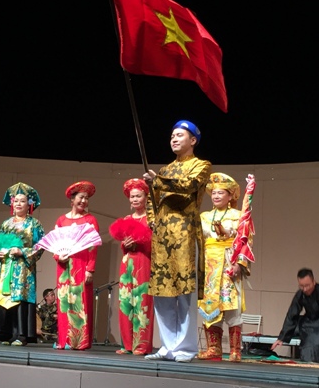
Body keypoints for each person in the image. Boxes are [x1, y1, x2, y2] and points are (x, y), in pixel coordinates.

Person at [143, 120, 212, 363]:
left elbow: (189, 186)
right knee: (162, 291)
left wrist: (157, 181)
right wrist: (152, 220)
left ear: (193, 140)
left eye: (179, 135)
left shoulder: (201, 166)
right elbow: (152, 199)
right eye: (172, 135)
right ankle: (167, 346)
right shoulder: (165, 170)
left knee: (184, 292)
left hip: (185, 234)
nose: (173, 138)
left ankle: (186, 347)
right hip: (163, 236)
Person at [198, 173, 256, 363]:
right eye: (214, 193)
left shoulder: (238, 216)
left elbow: (247, 241)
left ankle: (235, 350)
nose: (216, 196)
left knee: (231, 304)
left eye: (221, 193)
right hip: (209, 264)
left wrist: (240, 263)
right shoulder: (204, 217)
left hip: (229, 261)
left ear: (230, 195)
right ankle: (213, 348)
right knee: (210, 305)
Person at [0, 182, 45, 346]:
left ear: (29, 204)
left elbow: (40, 246)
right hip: (5, 266)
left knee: (20, 297)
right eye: (16, 201)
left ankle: (21, 335)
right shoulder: (6, 224)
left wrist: (23, 252)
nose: (18, 204)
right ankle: (5, 334)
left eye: (22, 201)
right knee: (5, 297)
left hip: (22, 268)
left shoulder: (34, 224)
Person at [54, 180, 100, 350]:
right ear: (72, 200)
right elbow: (55, 243)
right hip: (64, 266)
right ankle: (64, 340)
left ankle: (79, 341)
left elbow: (93, 247)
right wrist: (58, 256)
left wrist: (90, 269)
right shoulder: (61, 220)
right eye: (81, 197)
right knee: (64, 301)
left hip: (81, 265)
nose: (84, 201)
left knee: (80, 302)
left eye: (86, 198)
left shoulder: (90, 220)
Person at [110, 178, 154, 356]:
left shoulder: (151, 219)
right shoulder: (127, 219)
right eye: (132, 196)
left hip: (144, 261)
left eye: (138, 196)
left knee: (142, 303)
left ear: (146, 197)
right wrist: (125, 244)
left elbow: (157, 244)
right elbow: (123, 243)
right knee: (126, 302)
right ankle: (127, 344)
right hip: (127, 263)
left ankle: (141, 345)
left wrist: (140, 244)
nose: (135, 199)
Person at [270, 268, 319, 363]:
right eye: (301, 286)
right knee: (305, 330)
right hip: (310, 323)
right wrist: (281, 338)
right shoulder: (300, 294)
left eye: (307, 285)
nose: (305, 289)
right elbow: (292, 315)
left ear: (313, 282)